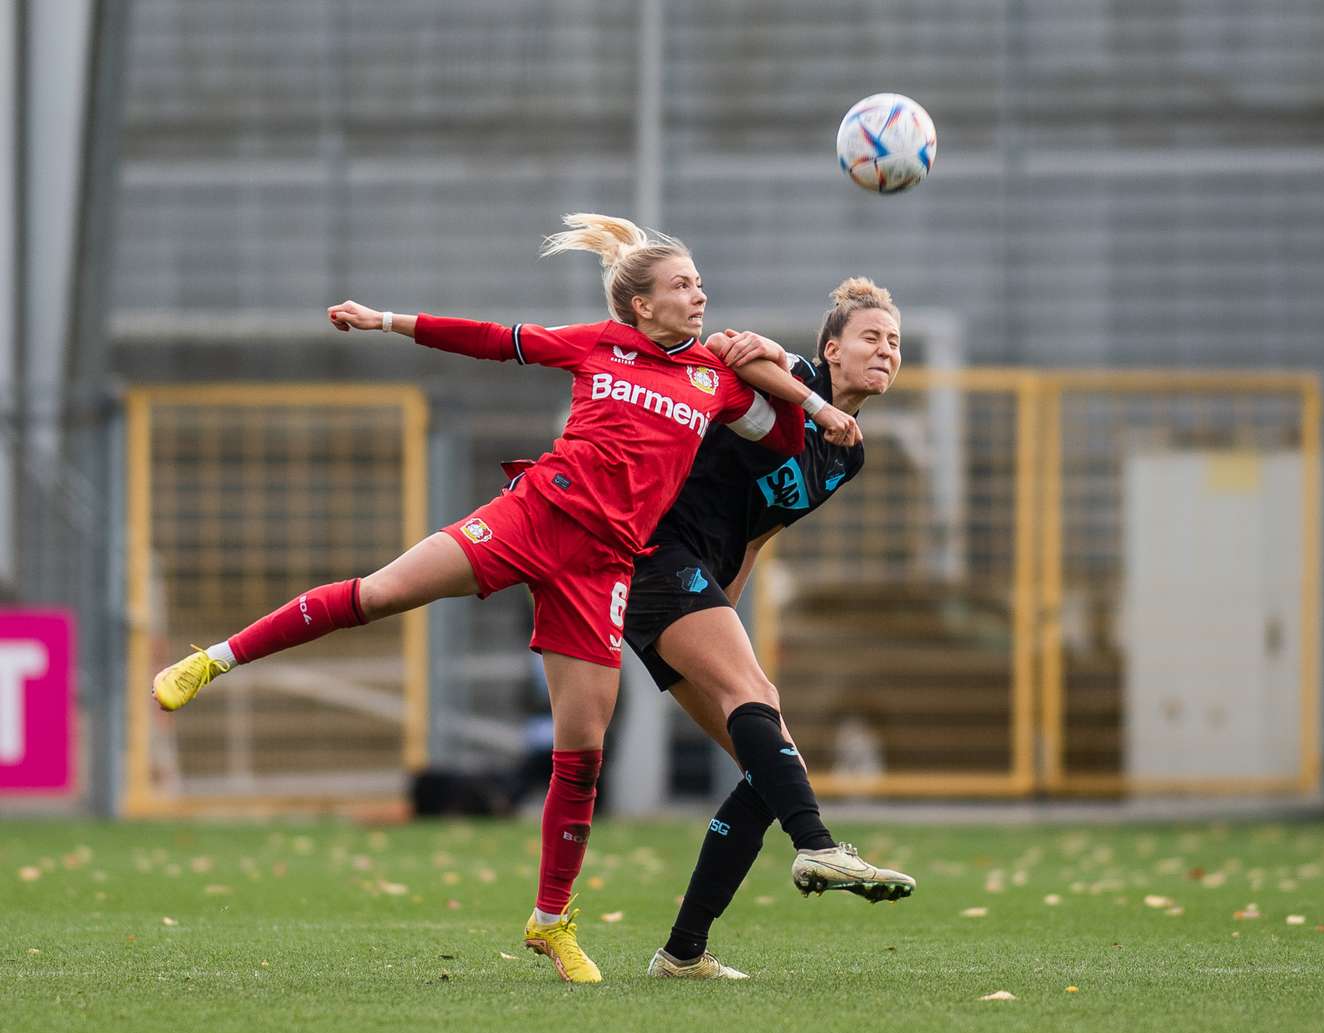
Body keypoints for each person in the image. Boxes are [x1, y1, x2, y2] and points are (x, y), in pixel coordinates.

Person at [149, 213, 861, 986]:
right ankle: (214, 659)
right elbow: (490, 338)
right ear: (640, 306)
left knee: (582, 751)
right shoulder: (599, 343)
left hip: (604, 568)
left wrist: (794, 394)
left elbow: (783, 445)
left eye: (699, 283)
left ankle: (551, 923)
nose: (700, 295)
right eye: (682, 285)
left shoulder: (713, 380)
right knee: (381, 591)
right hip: (534, 515)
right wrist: (385, 320)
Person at [620, 278, 914, 981]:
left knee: (772, 766)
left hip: (697, 576)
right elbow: (723, 347)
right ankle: (816, 845)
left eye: (894, 342)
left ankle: (683, 953)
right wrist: (810, 399)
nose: (885, 351)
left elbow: (759, 532)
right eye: (871, 337)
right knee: (764, 714)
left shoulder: (848, 454)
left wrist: (727, 610)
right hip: (656, 550)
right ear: (832, 350)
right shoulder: (795, 377)